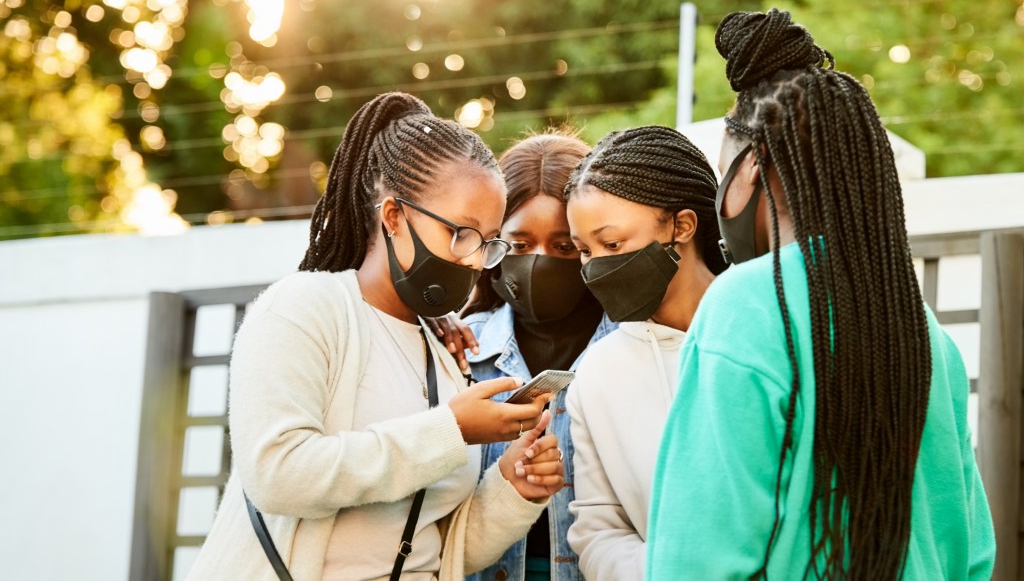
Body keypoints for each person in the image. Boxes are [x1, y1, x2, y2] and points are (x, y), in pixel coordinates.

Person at [647, 9, 996, 579]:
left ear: (751, 170)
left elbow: (695, 557)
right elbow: (971, 552)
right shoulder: (927, 332)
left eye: (720, 174)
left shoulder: (748, 307)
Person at [188, 92, 565, 581]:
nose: (475, 259)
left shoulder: (444, 349)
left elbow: (434, 552)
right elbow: (278, 474)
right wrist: (451, 430)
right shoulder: (302, 308)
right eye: (462, 233)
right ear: (393, 217)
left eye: (489, 241)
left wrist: (514, 487)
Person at [560, 125, 727, 580]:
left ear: (683, 226)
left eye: (612, 244)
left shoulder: (763, 335)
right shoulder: (596, 373)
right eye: (583, 250)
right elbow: (597, 530)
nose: (595, 266)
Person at [461, 131, 616, 581]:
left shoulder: (633, 351)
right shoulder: (458, 353)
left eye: (564, 247)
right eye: (521, 245)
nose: (540, 262)